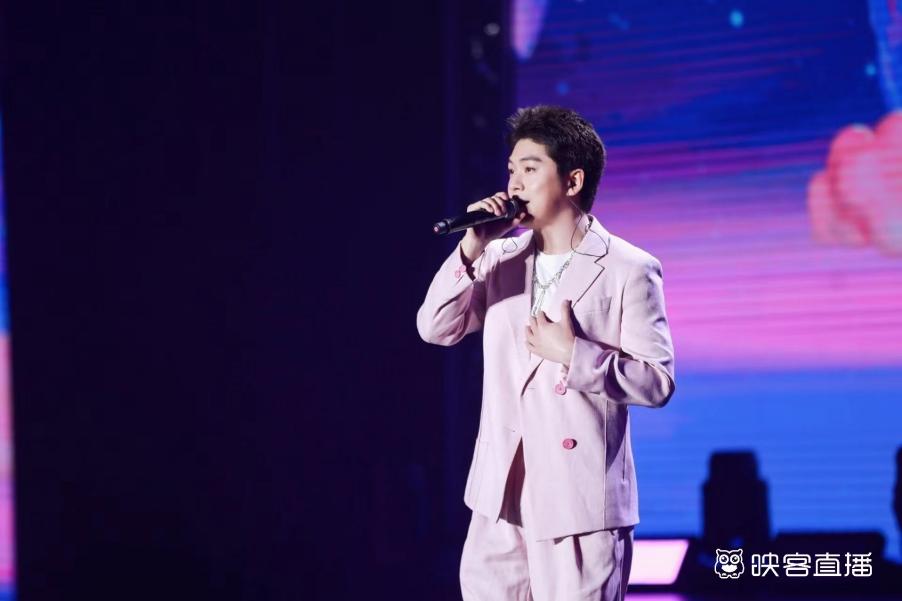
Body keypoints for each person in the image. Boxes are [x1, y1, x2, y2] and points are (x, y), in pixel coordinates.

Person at [416, 105, 676, 601]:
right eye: (511, 169)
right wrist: (471, 248)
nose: (514, 183)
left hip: (580, 504)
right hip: (500, 495)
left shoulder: (629, 267)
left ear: (572, 181)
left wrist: (576, 355)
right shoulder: (499, 258)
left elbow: (657, 381)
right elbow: (435, 328)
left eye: (530, 169)